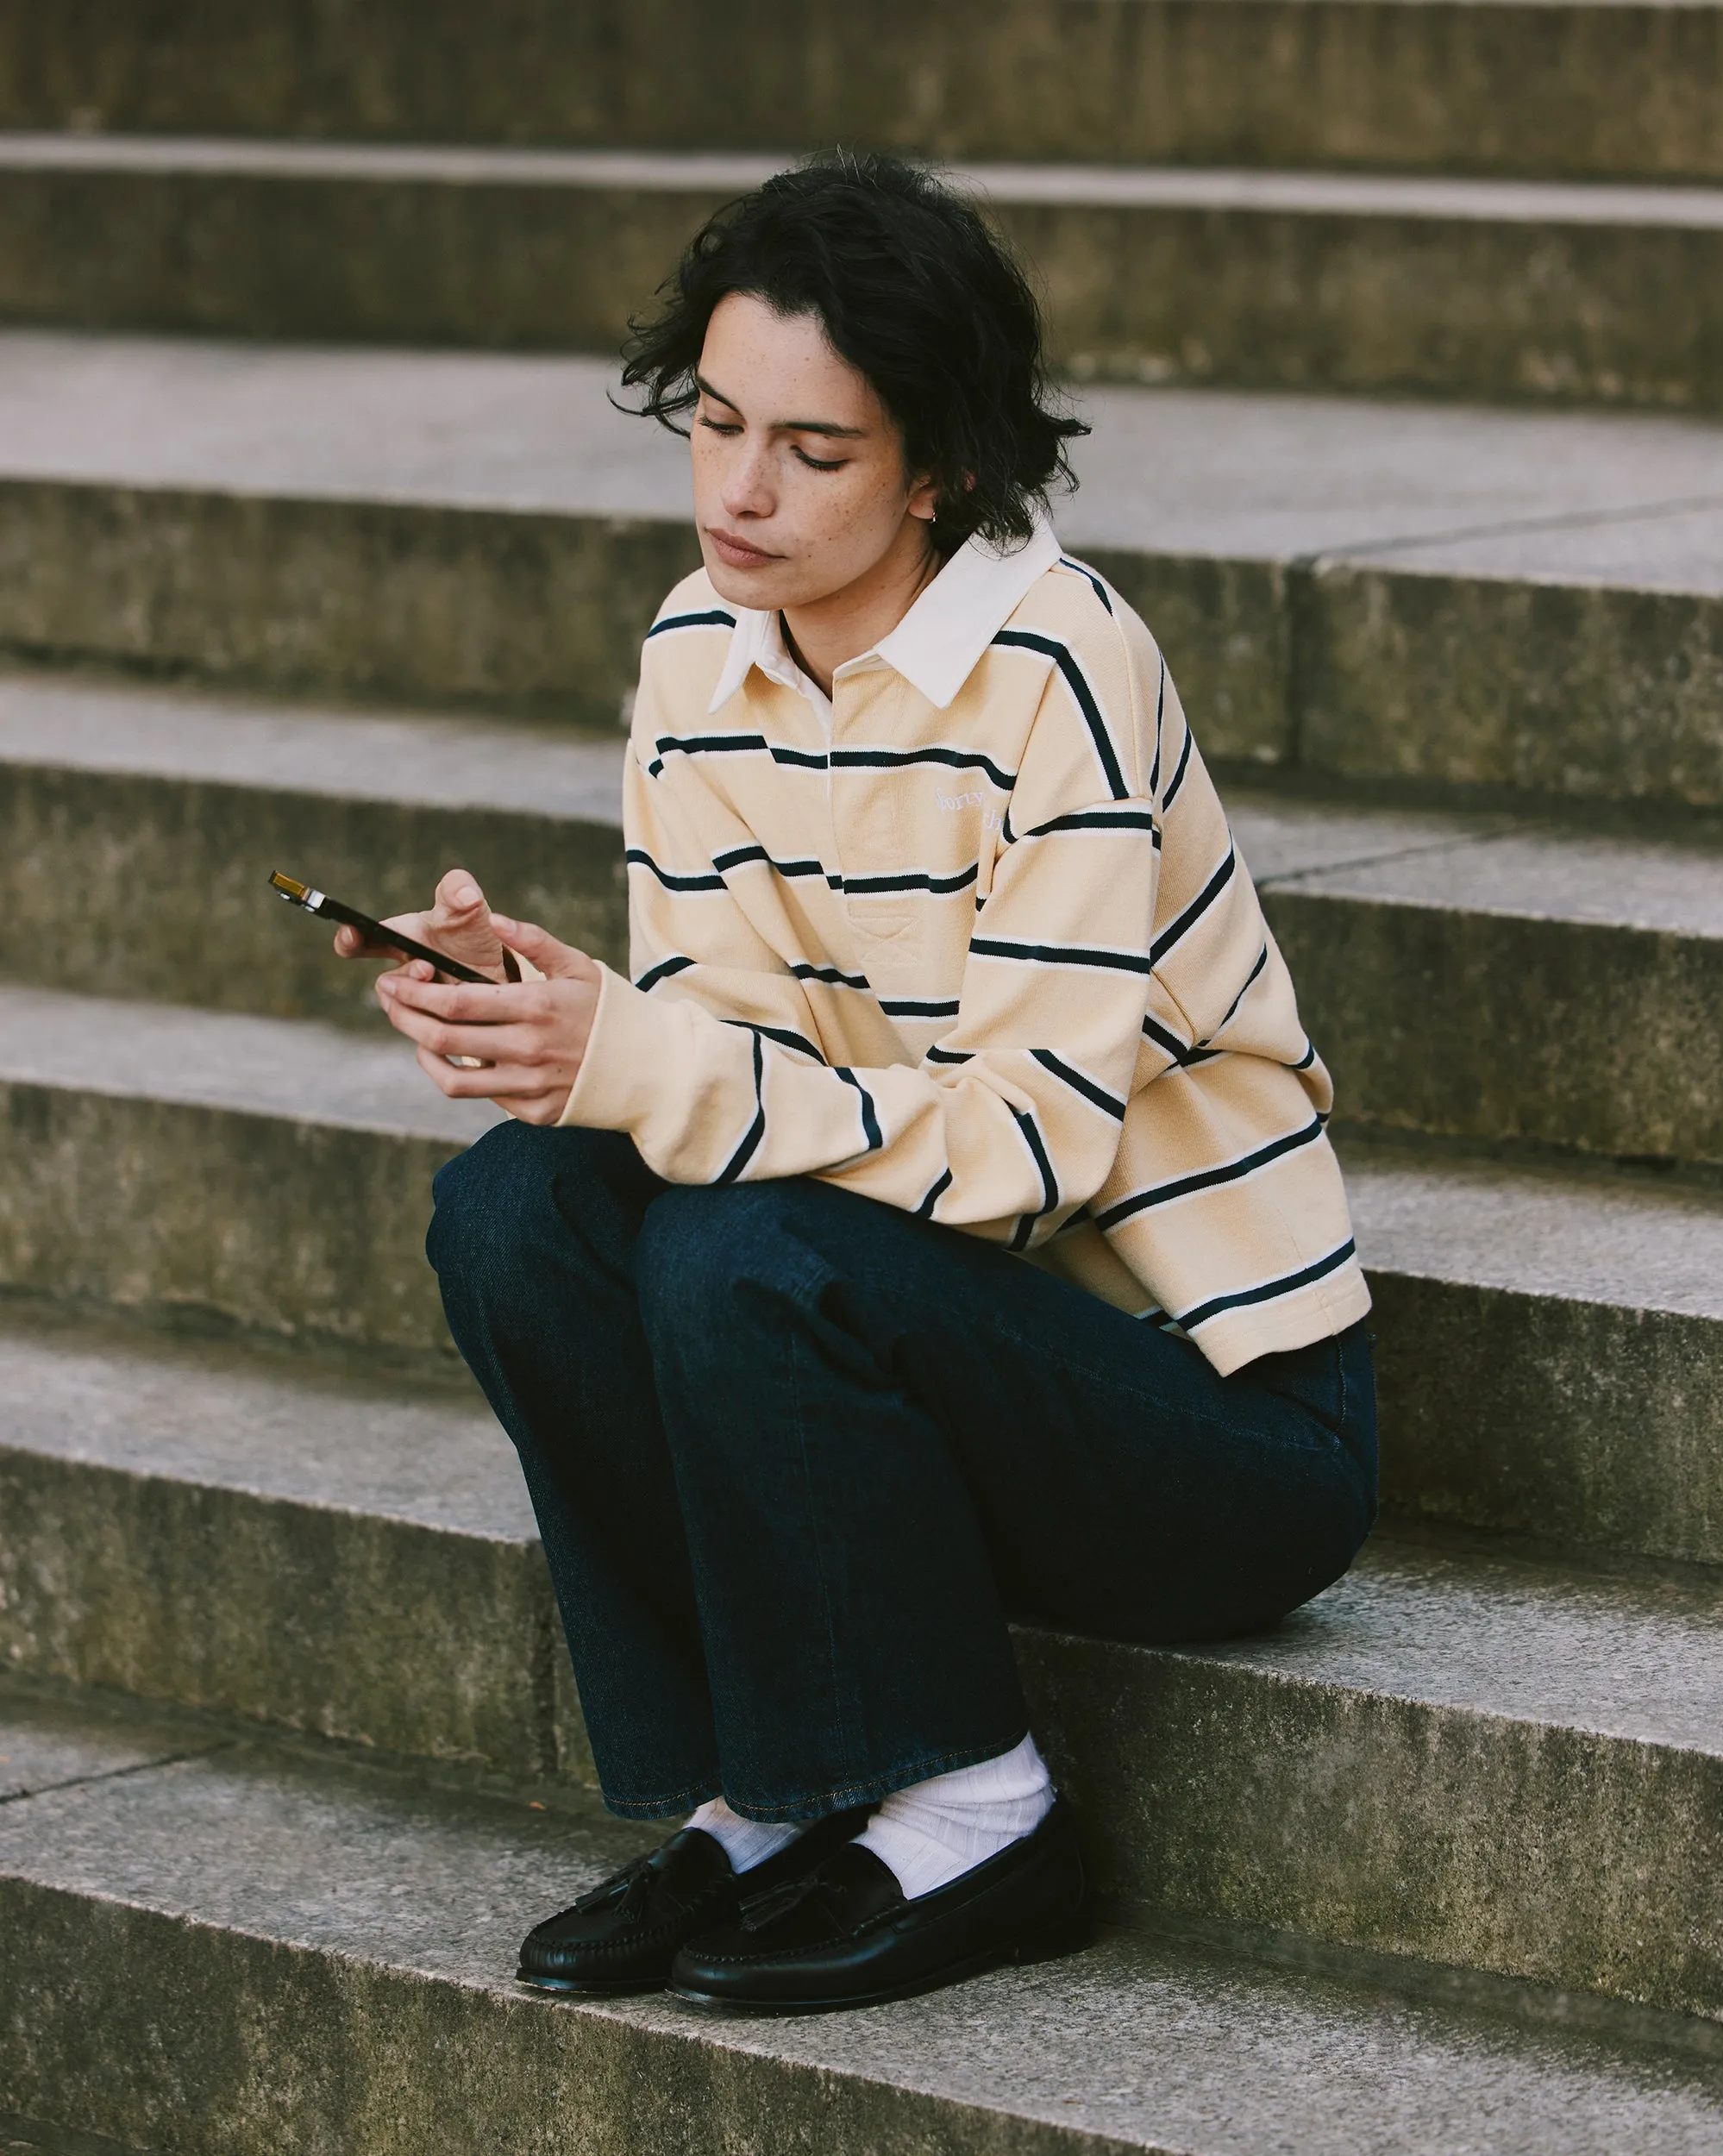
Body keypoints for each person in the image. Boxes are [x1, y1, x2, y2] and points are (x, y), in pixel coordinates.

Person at [341, 153, 1377, 2015]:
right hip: (921, 1360)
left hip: (1203, 1415)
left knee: (744, 1254)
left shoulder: (1055, 664)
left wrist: (652, 1064)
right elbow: (737, 1058)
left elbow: (1039, 1148)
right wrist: (567, 1019)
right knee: (512, 1203)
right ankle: (781, 1777)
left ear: (939, 467)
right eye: (716, 422)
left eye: (813, 453)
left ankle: (984, 1799)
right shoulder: (699, 649)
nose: (740, 490)